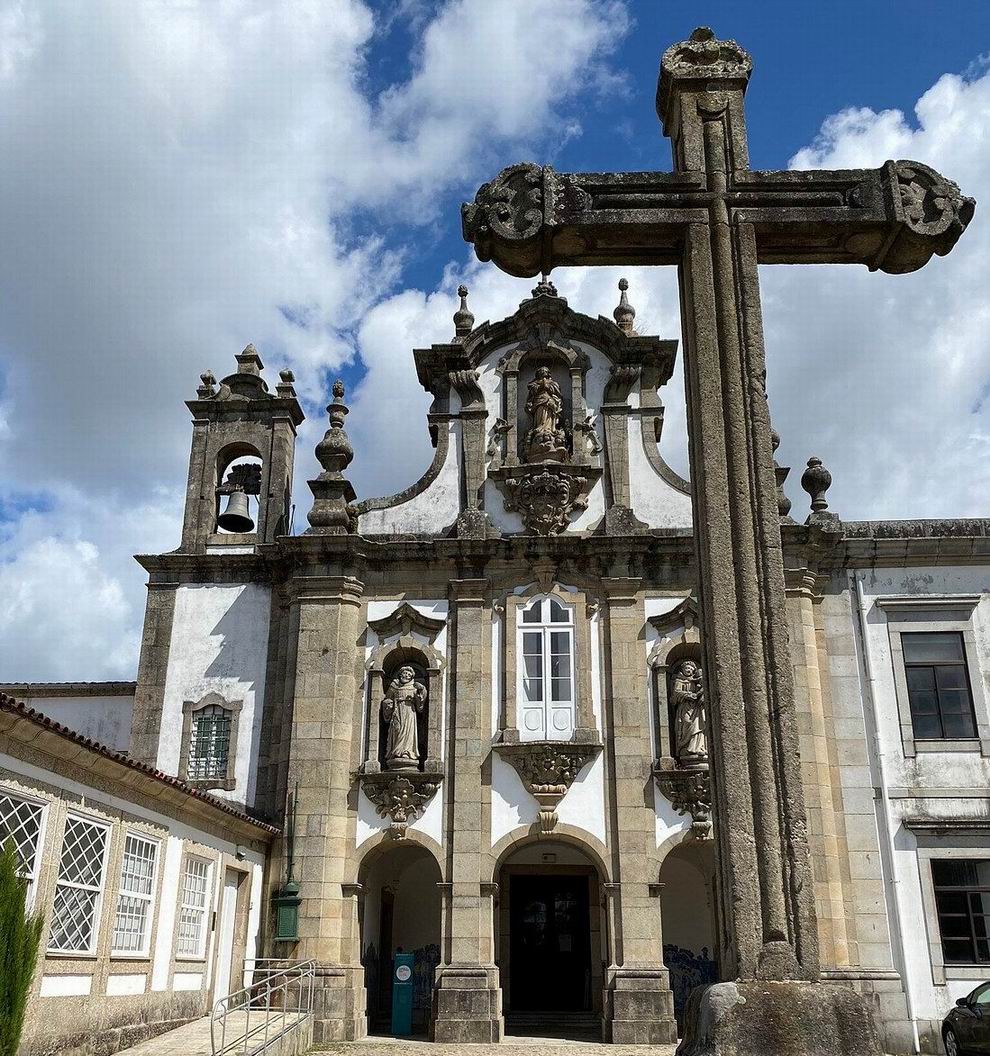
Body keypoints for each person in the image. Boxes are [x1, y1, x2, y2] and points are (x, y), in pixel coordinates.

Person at [382, 665, 427, 771]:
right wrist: (388, 705)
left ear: (411, 677)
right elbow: (387, 699)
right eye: (405, 673)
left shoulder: (414, 687)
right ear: (400, 674)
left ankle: (407, 752)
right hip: (397, 712)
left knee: (408, 733)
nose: (406, 676)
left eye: (409, 674)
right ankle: (396, 752)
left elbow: (420, 704)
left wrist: (421, 690)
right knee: (397, 730)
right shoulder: (394, 686)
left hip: (410, 713)